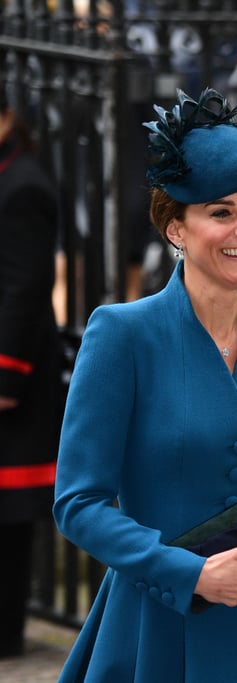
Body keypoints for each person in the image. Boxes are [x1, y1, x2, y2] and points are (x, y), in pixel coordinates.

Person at [52, 88, 237, 682]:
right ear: (176, 229)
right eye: (221, 213)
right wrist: (189, 573)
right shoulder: (122, 335)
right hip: (155, 625)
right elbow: (78, 503)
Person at [0, 86, 64, 659]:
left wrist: (6, 376)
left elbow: (23, 291)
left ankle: (6, 631)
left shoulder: (24, 187)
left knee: (9, 518)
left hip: (12, 376)